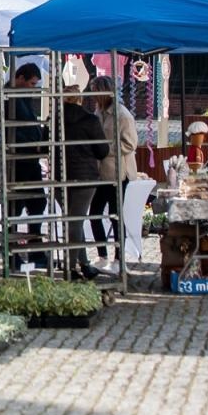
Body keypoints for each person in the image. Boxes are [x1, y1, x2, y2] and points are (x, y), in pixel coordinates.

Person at [87, 74, 139, 266]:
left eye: (95, 93)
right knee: (95, 214)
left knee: (116, 215)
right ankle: (102, 255)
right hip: (101, 173)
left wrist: (105, 150)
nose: (93, 97)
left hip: (117, 172)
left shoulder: (122, 115)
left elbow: (130, 144)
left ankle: (119, 258)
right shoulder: (98, 112)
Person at [58, 89, 109, 280]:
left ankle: (84, 264)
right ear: (79, 99)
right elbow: (102, 150)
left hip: (60, 176)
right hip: (85, 176)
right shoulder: (90, 120)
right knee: (76, 221)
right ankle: (71, 267)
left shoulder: (54, 120)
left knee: (72, 221)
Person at [4, 63, 49, 269]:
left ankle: (34, 249)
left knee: (36, 204)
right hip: (18, 160)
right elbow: (12, 129)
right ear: (20, 77)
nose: (33, 88)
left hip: (28, 159)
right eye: (31, 83)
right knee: (16, 206)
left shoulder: (20, 97)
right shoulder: (8, 97)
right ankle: (13, 252)